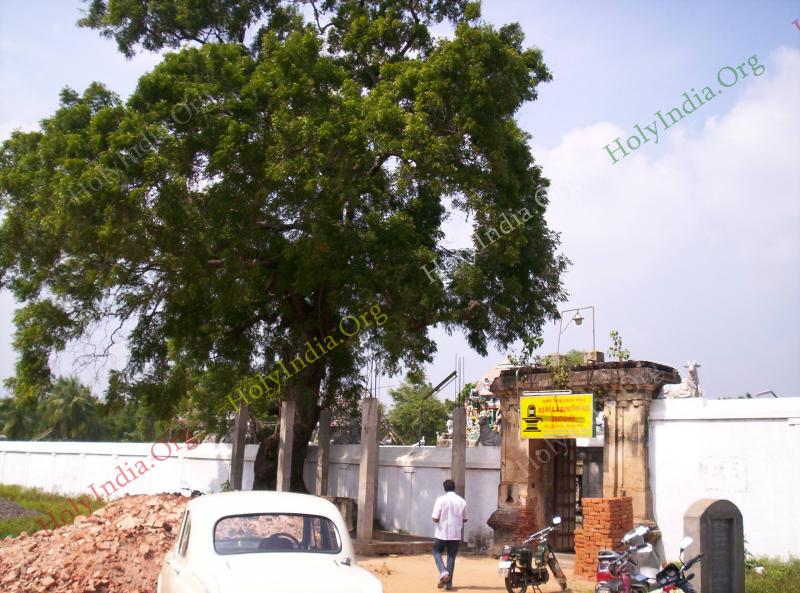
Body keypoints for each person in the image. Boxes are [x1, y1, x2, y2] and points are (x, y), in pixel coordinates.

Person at [431, 479, 467, 590]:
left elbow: (435, 518)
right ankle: (448, 584)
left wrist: (440, 520)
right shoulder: (462, 501)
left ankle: (443, 572)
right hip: (455, 534)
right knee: (451, 557)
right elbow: (465, 519)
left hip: (442, 532)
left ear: (444, 488)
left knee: (436, 551)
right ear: (454, 487)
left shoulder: (440, 500)